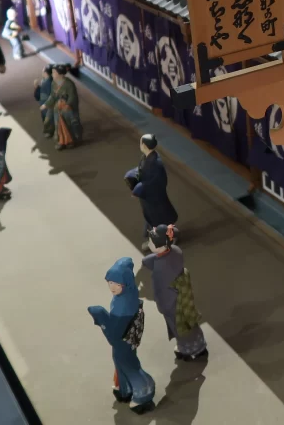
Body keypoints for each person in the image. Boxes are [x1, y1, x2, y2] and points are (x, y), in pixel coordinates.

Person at [87, 257, 155, 415]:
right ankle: (124, 389)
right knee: (124, 362)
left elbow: (114, 335)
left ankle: (144, 392)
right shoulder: (129, 295)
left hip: (122, 342)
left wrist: (100, 315)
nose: (112, 287)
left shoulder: (122, 306)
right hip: (129, 341)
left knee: (128, 365)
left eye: (117, 284)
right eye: (110, 282)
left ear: (125, 283)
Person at [142, 224, 208, 362]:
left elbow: (160, 290)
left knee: (179, 326)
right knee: (190, 321)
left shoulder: (160, 269)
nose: (149, 244)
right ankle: (200, 345)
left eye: (151, 242)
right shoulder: (176, 251)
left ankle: (188, 350)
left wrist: (162, 307)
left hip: (171, 301)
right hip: (183, 295)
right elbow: (149, 260)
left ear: (160, 246)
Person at [125, 135, 178, 252]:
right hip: (148, 197)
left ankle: (169, 238)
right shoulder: (146, 158)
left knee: (160, 219)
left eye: (140, 143)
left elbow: (154, 182)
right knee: (153, 219)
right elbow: (142, 172)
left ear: (144, 145)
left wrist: (138, 189)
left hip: (155, 197)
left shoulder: (156, 163)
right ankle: (156, 240)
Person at [42, 64, 82, 150]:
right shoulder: (54, 83)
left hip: (68, 109)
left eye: (54, 72)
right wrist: (46, 104)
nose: (52, 74)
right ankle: (61, 141)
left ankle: (71, 141)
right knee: (58, 125)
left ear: (61, 74)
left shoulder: (69, 84)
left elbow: (72, 96)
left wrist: (68, 104)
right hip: (58, 108)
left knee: (70, 125)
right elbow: (53, 96)